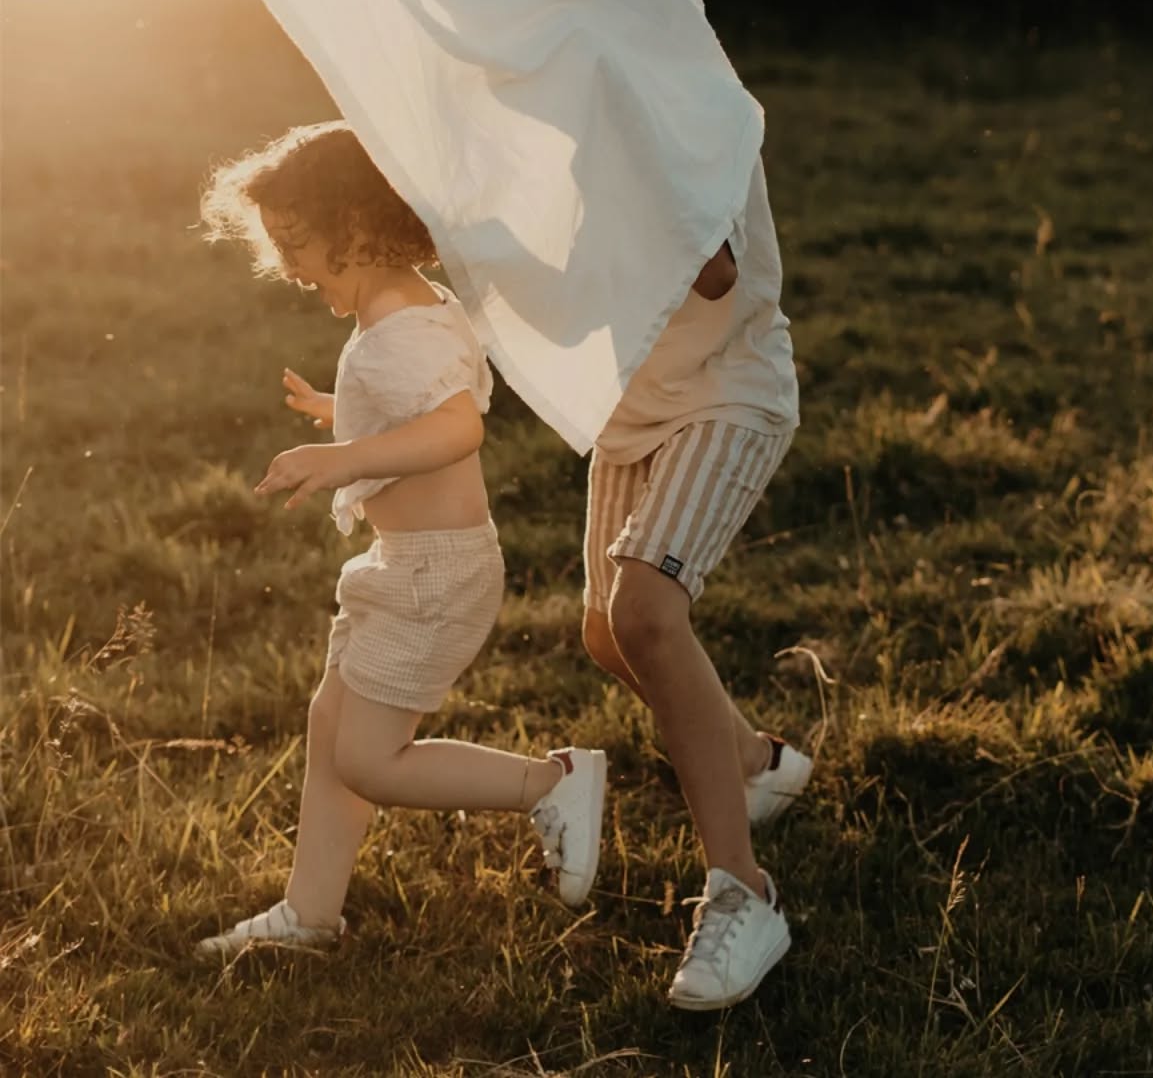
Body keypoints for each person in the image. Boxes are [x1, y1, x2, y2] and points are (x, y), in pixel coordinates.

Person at [192, 121, 606, 958]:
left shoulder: (399, 329)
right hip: (406, 568)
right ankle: (309, 915)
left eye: (298, 245)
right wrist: (344, 412)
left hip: (435, 577)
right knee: (332, 727)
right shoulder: (411, 303)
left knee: (372, 761)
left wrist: (344, 455)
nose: (290, 269)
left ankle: (549, 782)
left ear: (355, 224)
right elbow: (419, 408)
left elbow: (456, 429)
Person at [581, 149, 810, 1010]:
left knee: (645, 615)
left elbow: (713, 272)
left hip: (726, 392)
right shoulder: (549, 99)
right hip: (629, 406)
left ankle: (744, 894)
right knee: (607, 635)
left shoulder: (676, 92)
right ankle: (754, 762)